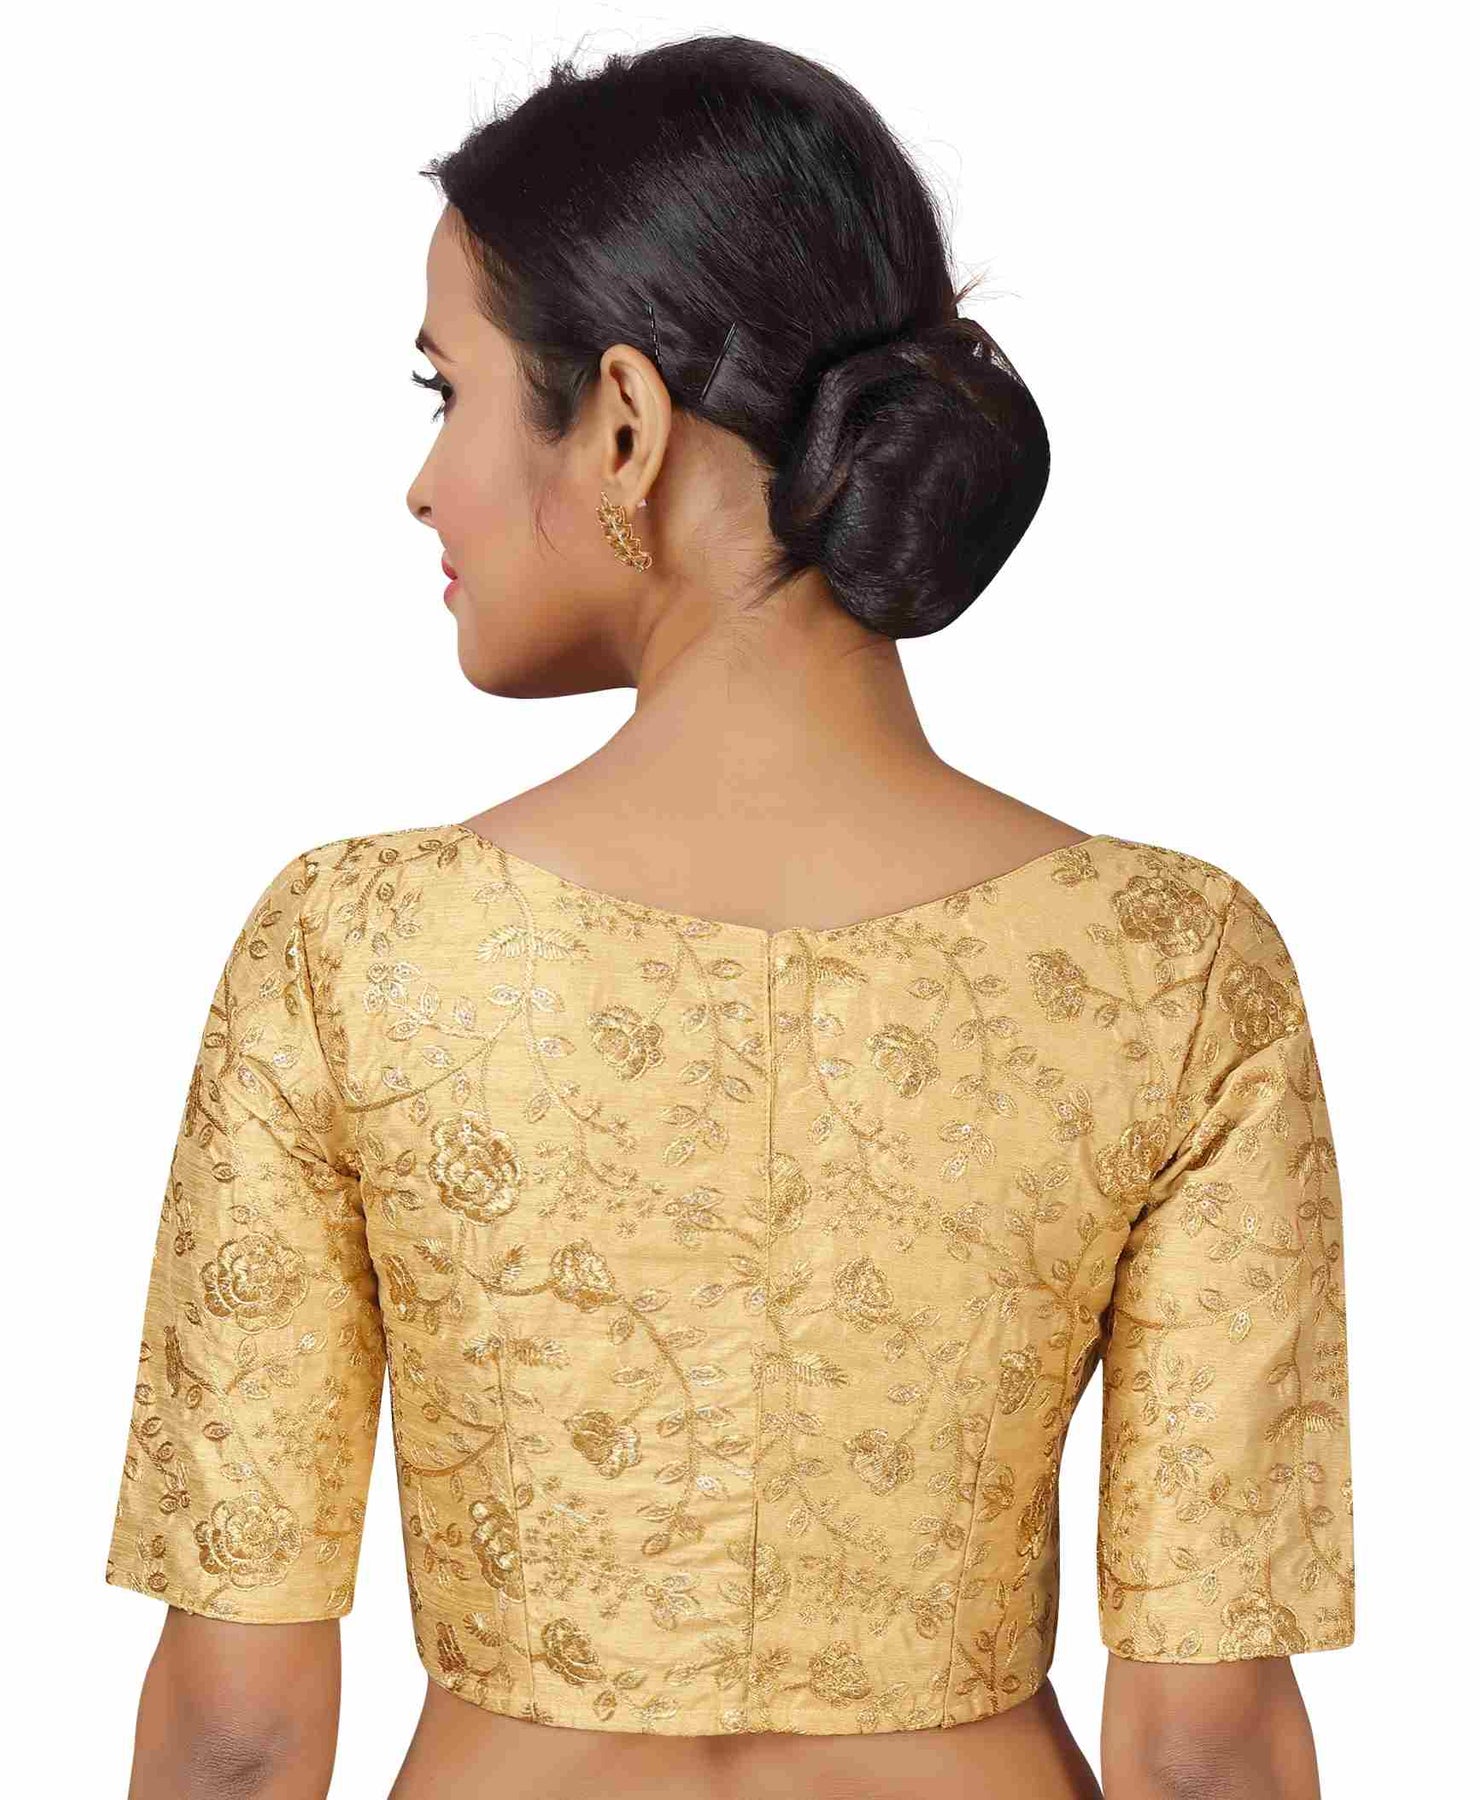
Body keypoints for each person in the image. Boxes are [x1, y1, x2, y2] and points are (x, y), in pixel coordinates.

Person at [104, 33, 1355, 1800]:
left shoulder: (355, 952)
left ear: (622, 423)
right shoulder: (1171, 969)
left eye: (444, 391)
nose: (423, 483)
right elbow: (1206, 1748)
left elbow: (234, 1736)